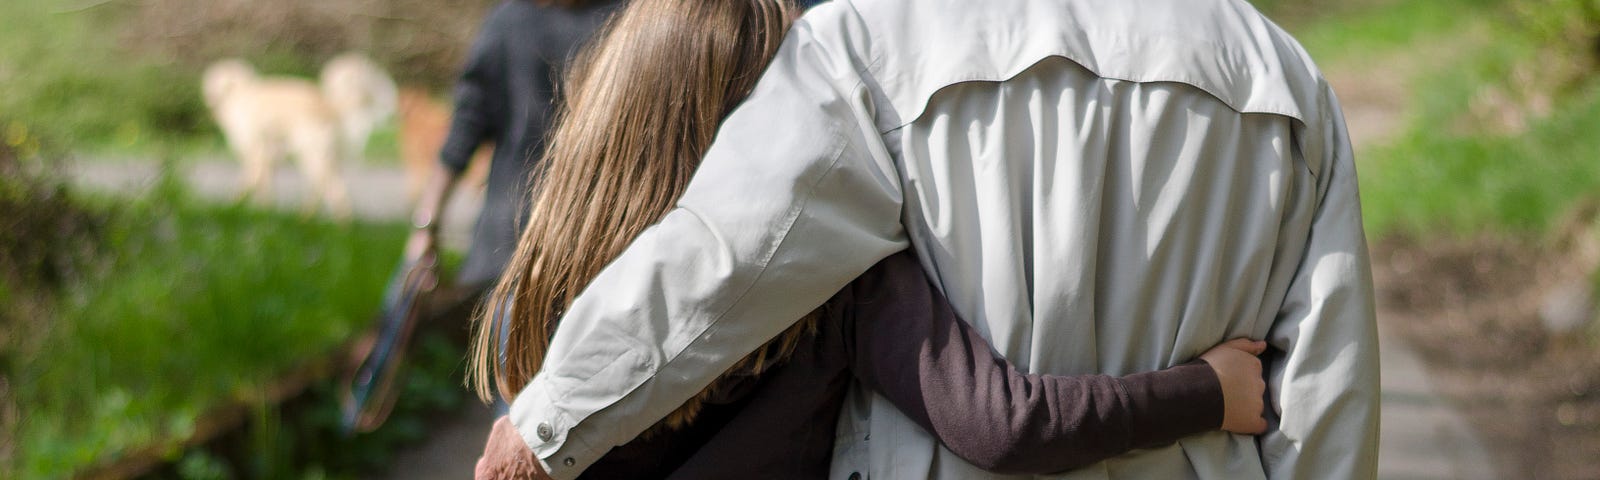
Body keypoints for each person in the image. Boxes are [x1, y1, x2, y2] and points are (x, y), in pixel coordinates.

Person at [489, 0, 1381, 478]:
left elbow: (730, 252)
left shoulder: (861, 47)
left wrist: (553, 417)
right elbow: (1327, 390)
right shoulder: (1280, 70)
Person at [405, 0, 622, 298]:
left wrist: (426, 226)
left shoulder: (510, 20)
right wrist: (426, 225)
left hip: (513, 250)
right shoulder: (632, 19)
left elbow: (466, 128)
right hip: (592, 252)